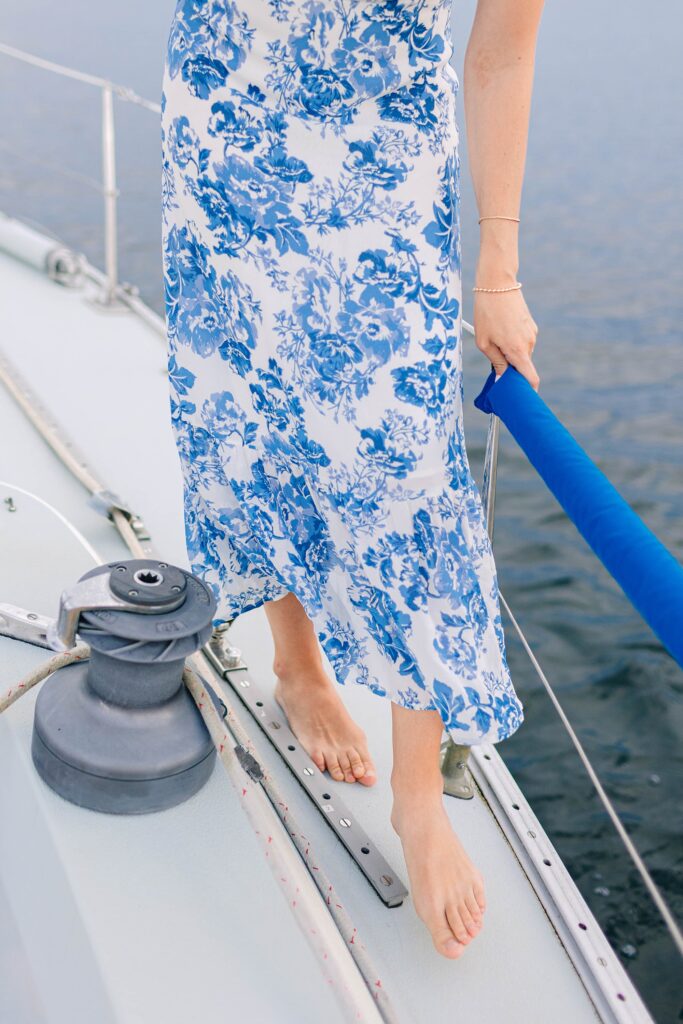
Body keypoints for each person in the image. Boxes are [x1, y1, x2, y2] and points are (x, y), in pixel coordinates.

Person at [161, 0, 544, 961]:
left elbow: (501, 48)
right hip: (221, 110)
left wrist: (495, 262)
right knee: (247, 395)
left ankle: (418, 800)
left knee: (399, 460)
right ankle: (297, 665)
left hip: (381, 157)